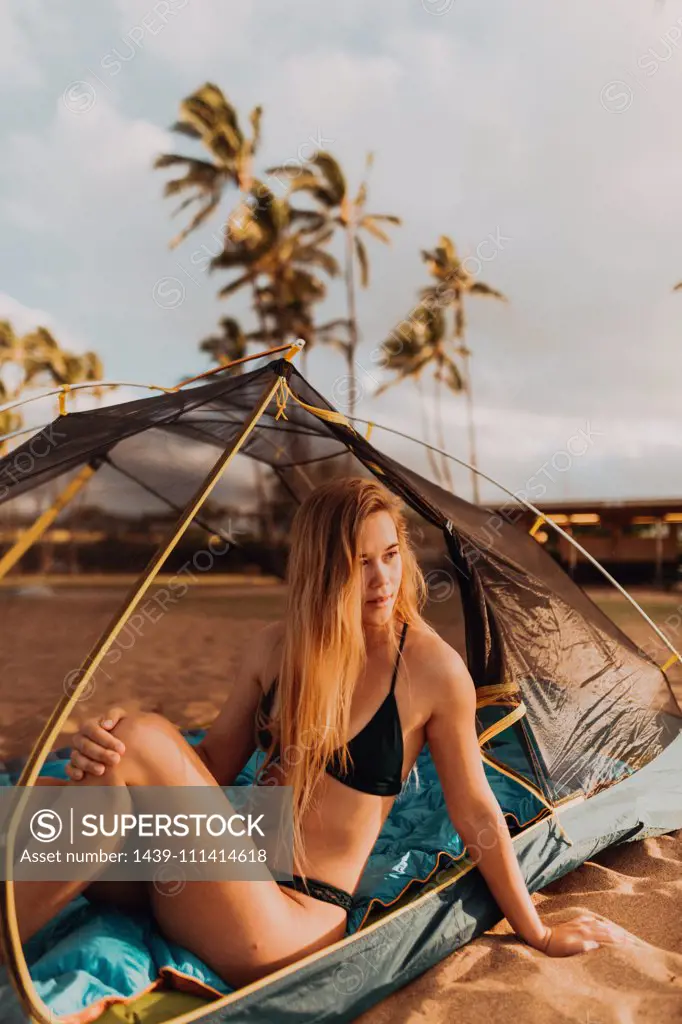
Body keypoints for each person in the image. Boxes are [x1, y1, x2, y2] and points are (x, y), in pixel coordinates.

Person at [12, 477, 628, 986]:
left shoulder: (430, 669)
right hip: (208, 885)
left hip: (285, 921)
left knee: (141, 738)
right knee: (56, 788)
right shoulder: (271, 651)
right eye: (359, 563)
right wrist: (107, 749)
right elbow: (210, 770)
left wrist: (538, 930)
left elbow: (476, 812)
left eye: (390, 555)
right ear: (320, 568)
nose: (383, 580)